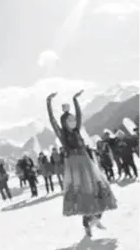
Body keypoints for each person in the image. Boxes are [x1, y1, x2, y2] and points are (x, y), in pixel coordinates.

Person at [46, 90, 117, 237]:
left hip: (87, 162)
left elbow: (79, 116)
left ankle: (96, 219)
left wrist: (75, 100)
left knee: (100, 190)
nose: (72, 122)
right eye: (69, 121)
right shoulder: (62, 135)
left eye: (72, 120)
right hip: (76, 166)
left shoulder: (77, 129)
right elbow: (52, 121)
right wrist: (48, 102)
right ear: (64, 124)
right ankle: (87, 225)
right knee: (85, 195)